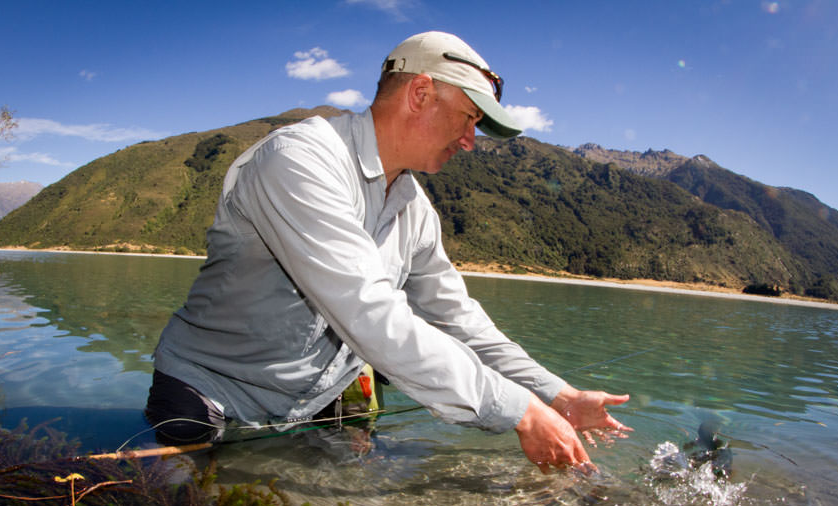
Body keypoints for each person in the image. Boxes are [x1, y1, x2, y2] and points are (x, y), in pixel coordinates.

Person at [146, 31, 631, 472]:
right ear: (420, 94)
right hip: (213, 394)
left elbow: (459, 320)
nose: (470, 142)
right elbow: (369, 312)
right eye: (469, 119)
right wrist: (520, 411)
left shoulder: (415, 208)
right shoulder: (298, 160)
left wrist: (558, 395)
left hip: (315, 404)